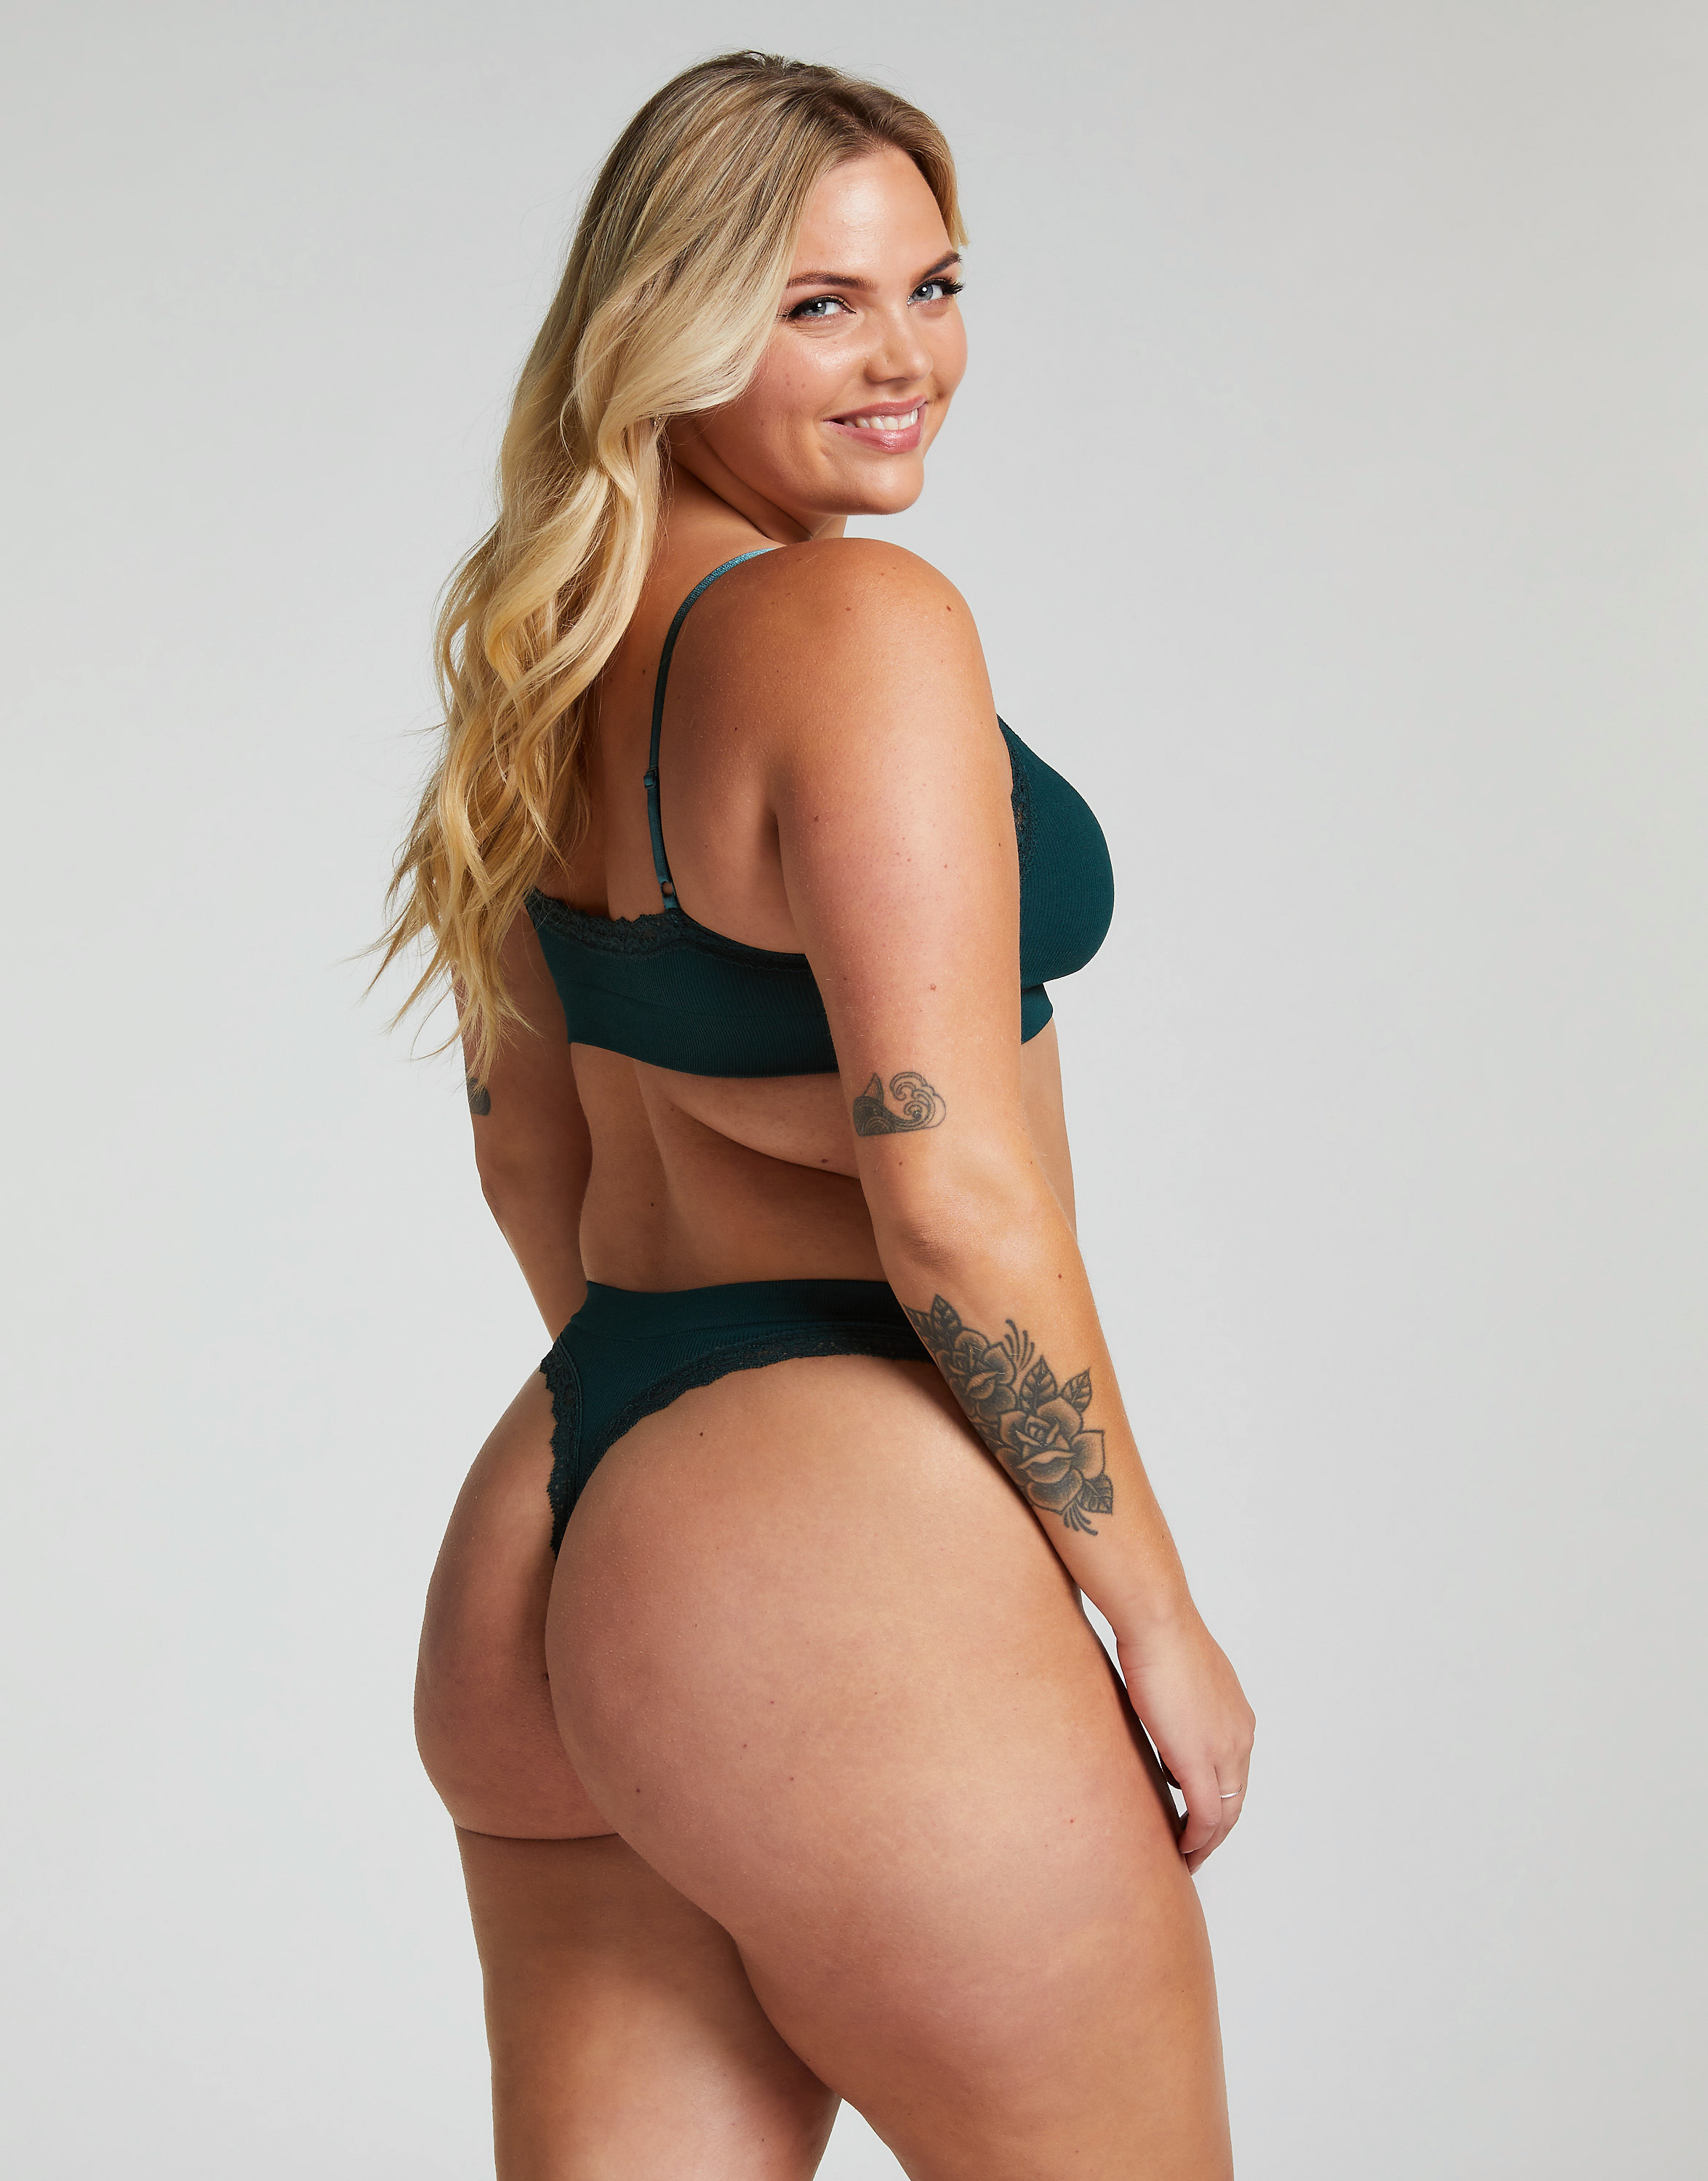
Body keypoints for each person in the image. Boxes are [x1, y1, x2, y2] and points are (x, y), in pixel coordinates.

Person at [378, 49, 1254, 2181]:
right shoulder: (854, 623)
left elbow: (528, 1149)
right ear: (668, 327)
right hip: (828, 1552)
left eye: (932, 287)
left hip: (560, 1523)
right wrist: (1154, 1617)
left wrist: (666, 1494)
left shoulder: (547, 654)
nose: (905, 361)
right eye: (819, 305)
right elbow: (953, 1197)